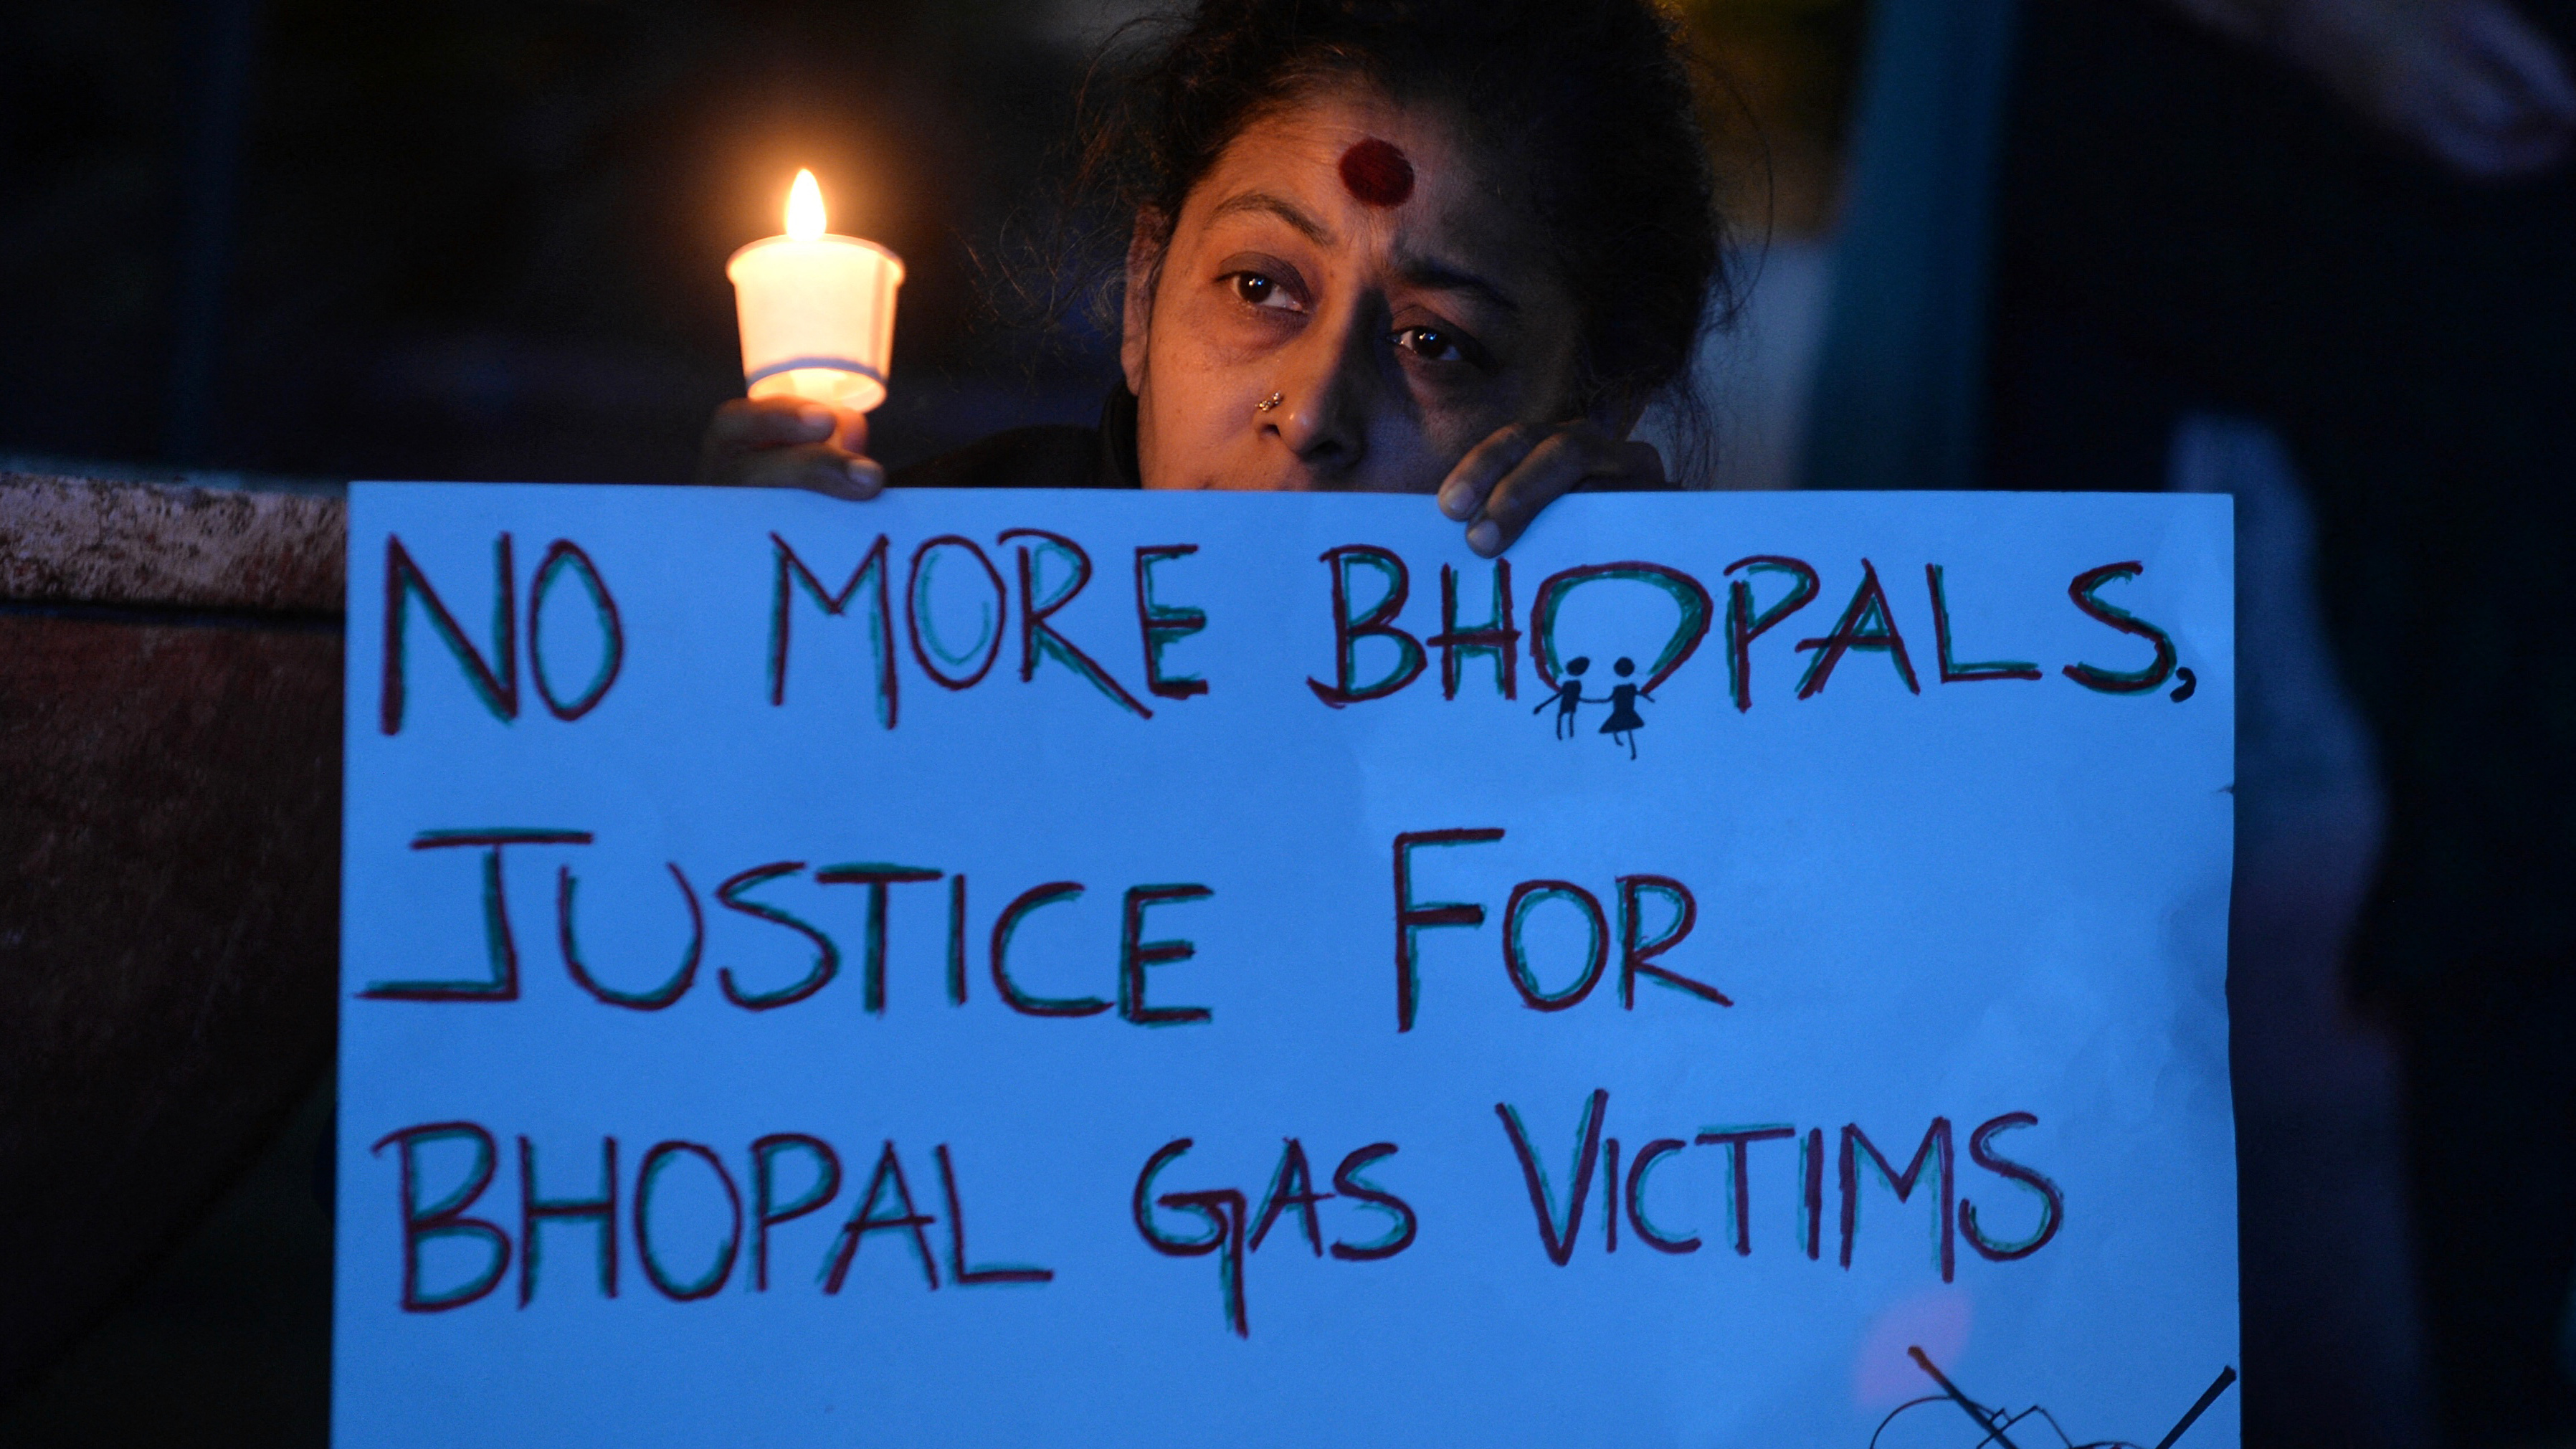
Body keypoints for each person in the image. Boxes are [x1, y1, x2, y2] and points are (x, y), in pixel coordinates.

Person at [695, 0, 1727, 559]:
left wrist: (1659, 669)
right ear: (1143, 296)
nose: (1314, 411)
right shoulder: (913, 593)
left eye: (1433, 343)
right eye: (1257, 290)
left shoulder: (1623, 709)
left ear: (1593, 408)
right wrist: (711, 646)